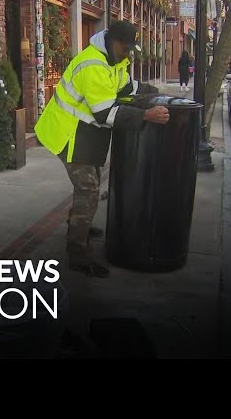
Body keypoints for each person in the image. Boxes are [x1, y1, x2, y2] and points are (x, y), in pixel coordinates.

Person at [34, 20, 170, 278]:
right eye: (125, 47)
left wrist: (152, 93)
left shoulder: (116, 61)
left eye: (131, 48)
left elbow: (127, 88)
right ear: (112, 40)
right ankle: (78, 255)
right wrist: (145, 116)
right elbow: (105, 113)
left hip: (85, 134)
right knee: (89, 190)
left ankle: (79, 225)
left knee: (90, 188)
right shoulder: (93, 65)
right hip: (68, 132)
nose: (128, 52)